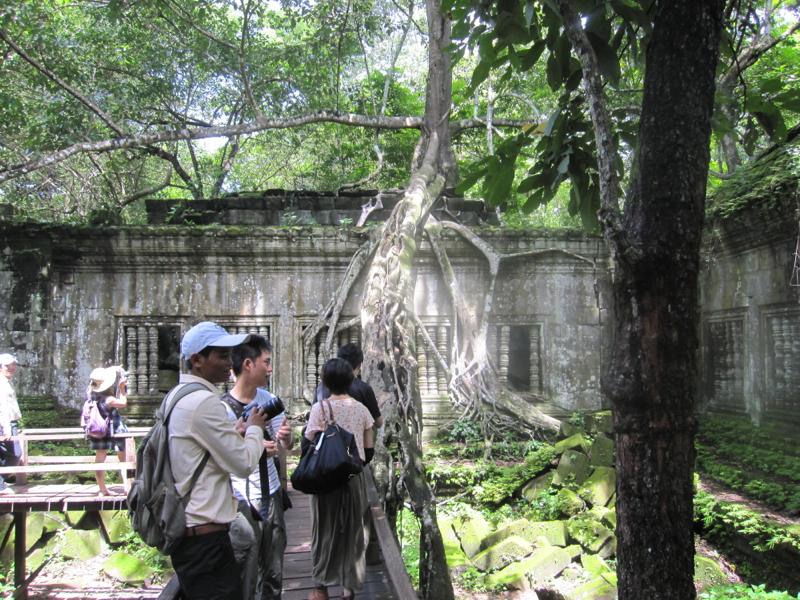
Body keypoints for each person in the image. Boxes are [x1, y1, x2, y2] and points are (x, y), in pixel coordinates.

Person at [167, 321, 268, 600]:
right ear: (197, 360)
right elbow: (243, 464)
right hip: (206, 537)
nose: (228, 362)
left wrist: (231, 434)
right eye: (222, 355)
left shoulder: (177, 396)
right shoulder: (204, 402)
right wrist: (255, 429)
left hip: (190, 530)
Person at [222, 335, 292, 600]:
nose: (270, 368)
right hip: (240, 499)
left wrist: (285, 438)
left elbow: (284, 443)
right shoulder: (221, 410)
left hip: (271, 493)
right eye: (267, 362)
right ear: (248, 364)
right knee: (245, 570)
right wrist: (251, 443)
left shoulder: (268, 399)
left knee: (274, 570)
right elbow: (221, 457)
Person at [305, 358, 374, 600]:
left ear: (325, 382)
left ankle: (321, 586)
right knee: (354, 530)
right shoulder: (362, 410)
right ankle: (349, 589)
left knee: (323, 530)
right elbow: (369, 450)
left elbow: (309, 441)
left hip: (325, 480)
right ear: (351, 380)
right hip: (353, 478)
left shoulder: (320, 409)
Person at [315, 343, 383, 427]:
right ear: (359, 365)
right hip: (356, 434)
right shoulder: (364, 389)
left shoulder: (322, 386)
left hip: (327, 434)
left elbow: (313, 418)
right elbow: (378, 423)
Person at [86, 365, 130, 495]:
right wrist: (122, 388)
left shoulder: (91, 395)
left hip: (98, 430)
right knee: (124, 459)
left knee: (100, 458)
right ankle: (127, 487)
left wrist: (116, 369)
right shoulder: (109, 399)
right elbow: (123, 403)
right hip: (114, 430)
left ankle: (102, 489)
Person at [0, 354, 21, 492]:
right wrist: (7, 428)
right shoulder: (2, 384)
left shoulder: (6, 382)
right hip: (5, 424)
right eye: (7, 365)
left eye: (13, 365)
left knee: (6, 455)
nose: (11, 368)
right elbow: (2, 408)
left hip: (10, 423)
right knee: (15, 454)